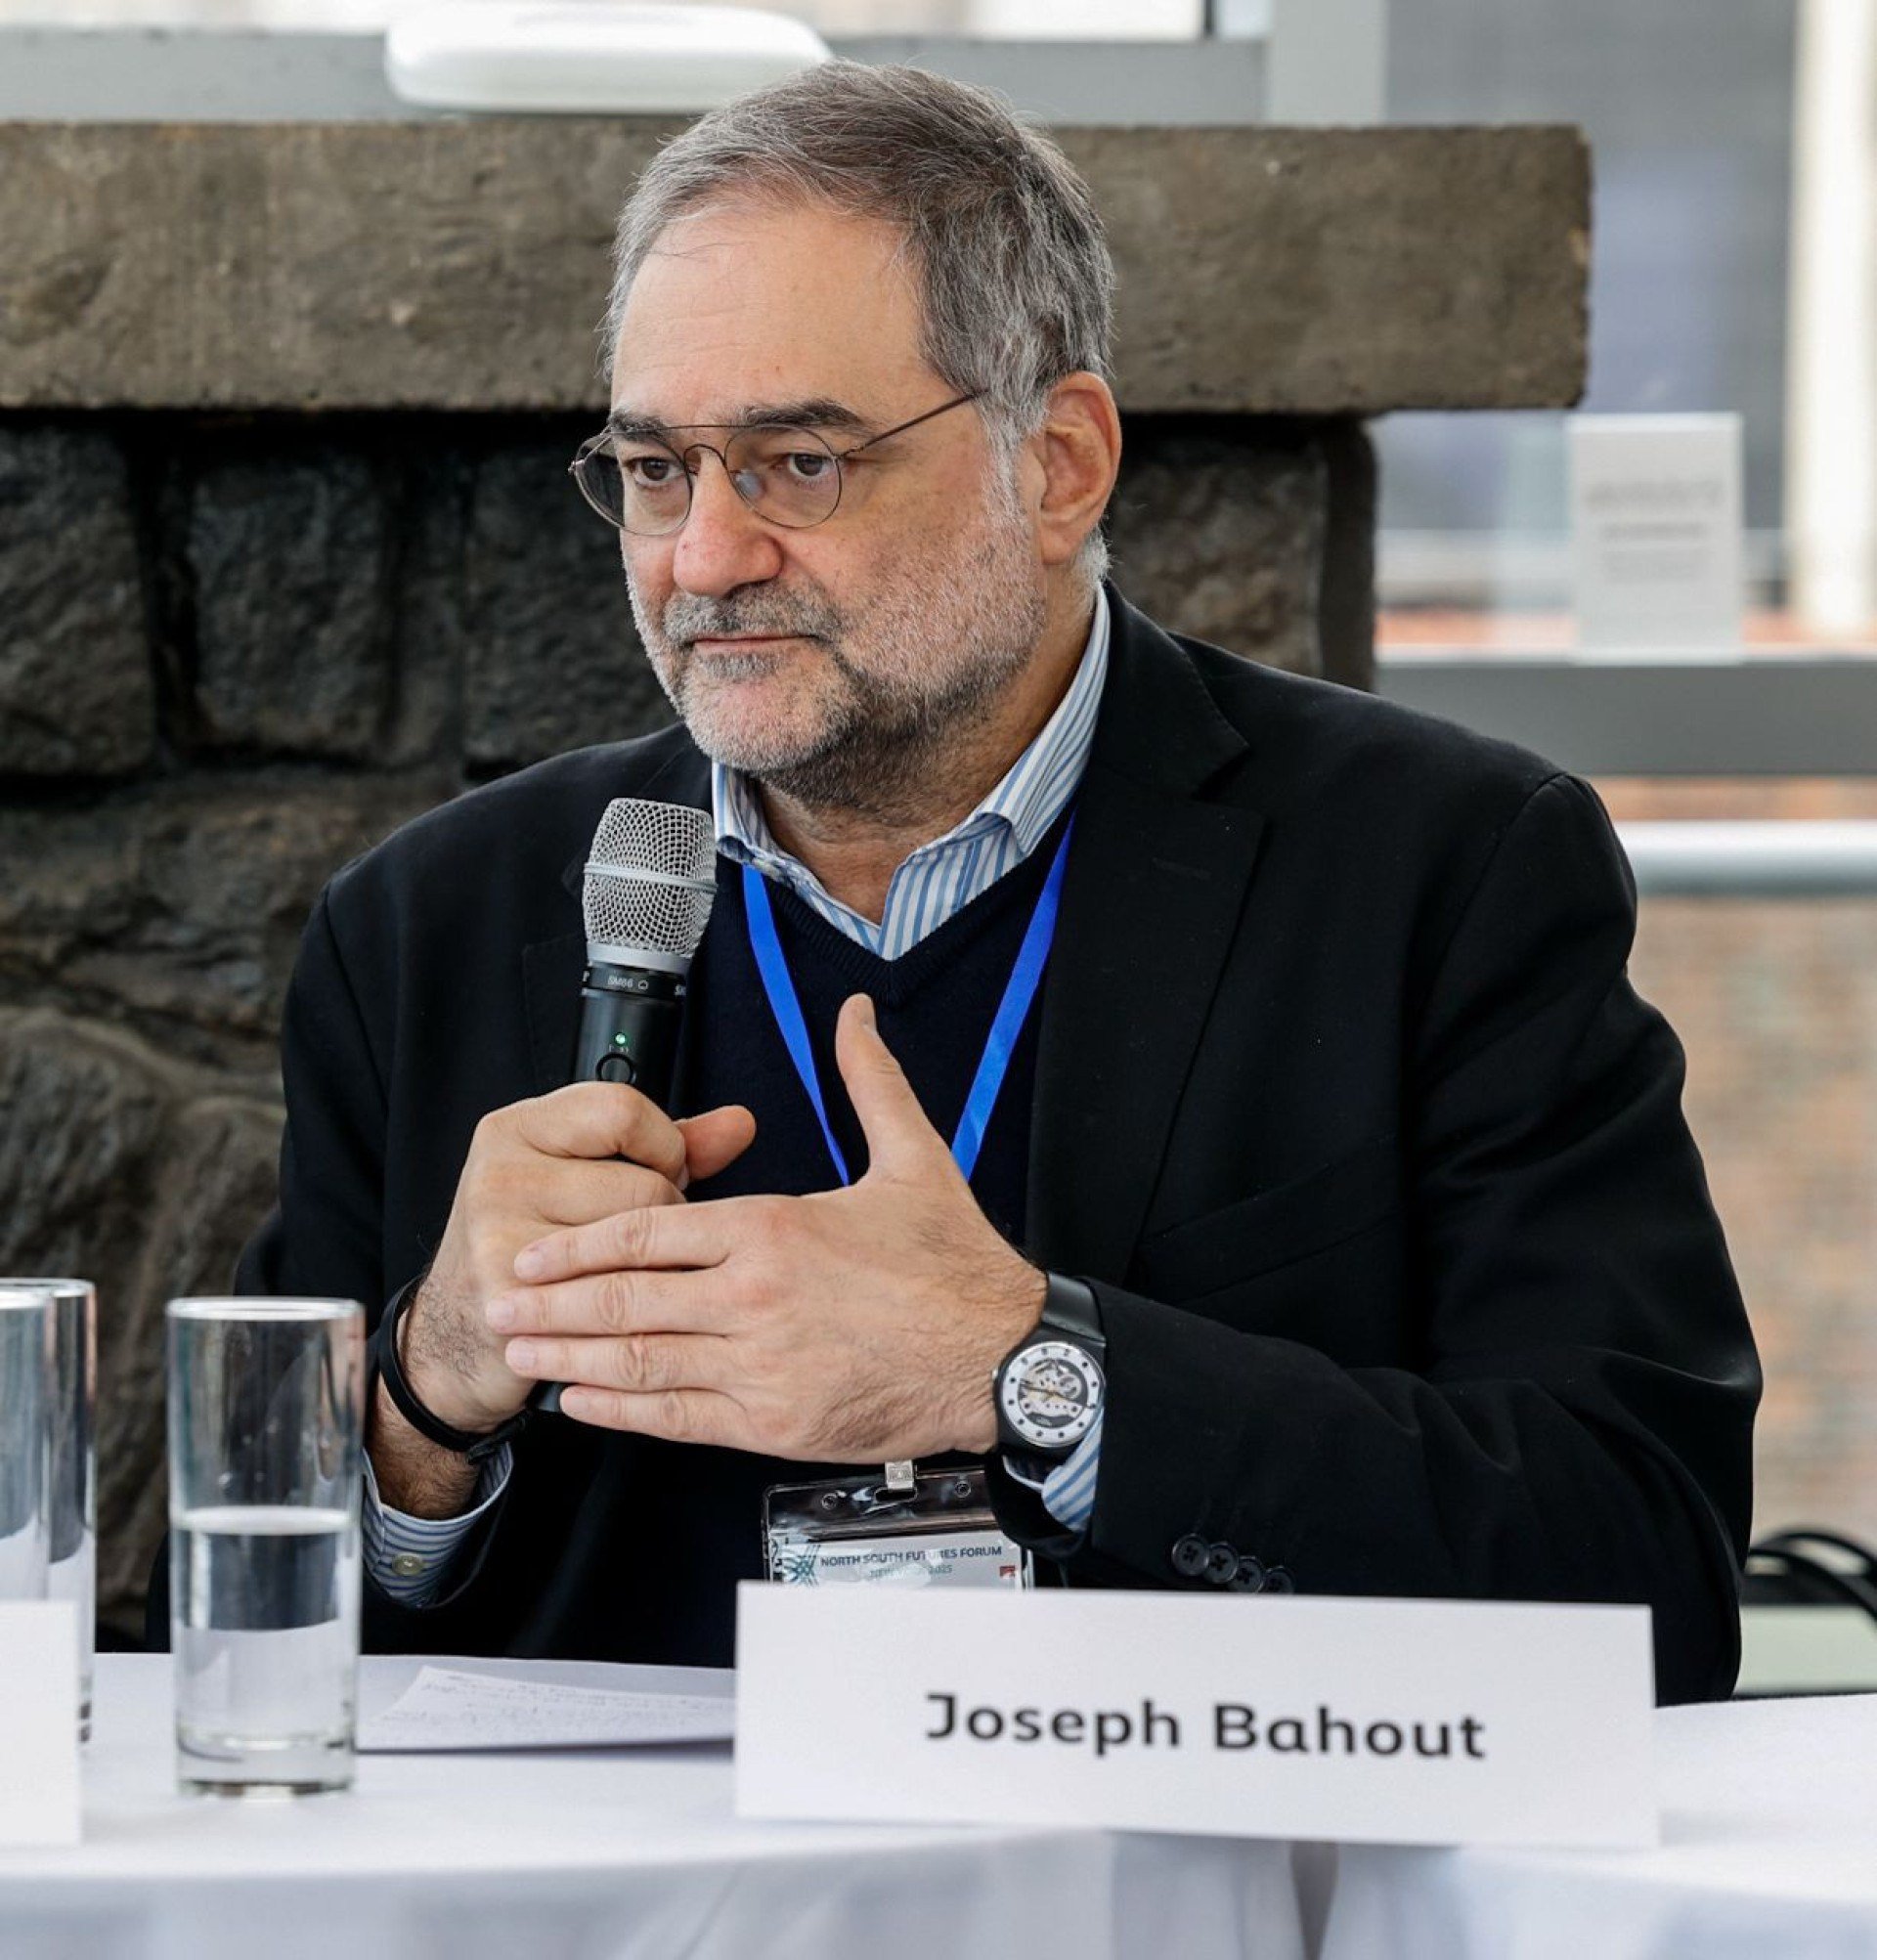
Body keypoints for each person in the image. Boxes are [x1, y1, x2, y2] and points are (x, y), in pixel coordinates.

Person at [208, 63, 1758, 1699]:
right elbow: (230, 1656)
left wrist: (1032, 1366)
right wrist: (431, 1389)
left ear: (1062, 461)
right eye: (658, 470)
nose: (705, 556)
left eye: (799, 463)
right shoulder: (420, 931)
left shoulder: (1440, 875)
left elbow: (1642, 1575)